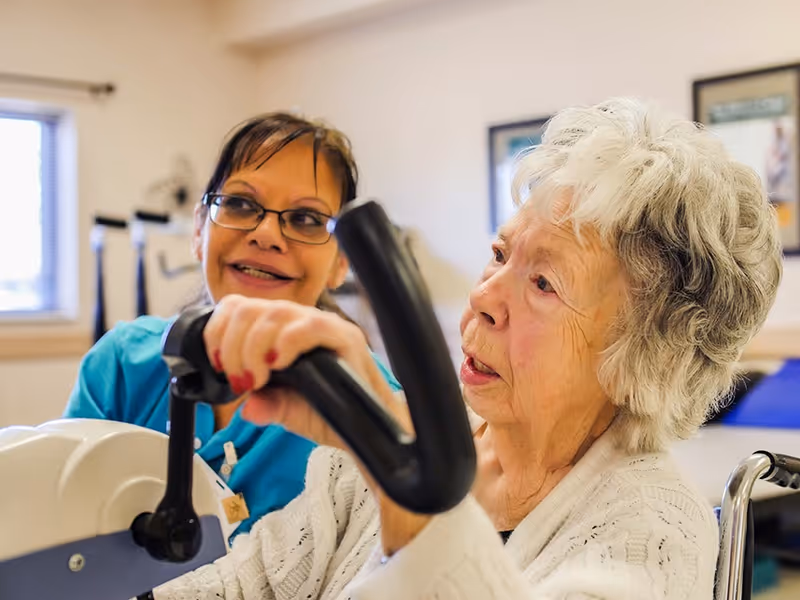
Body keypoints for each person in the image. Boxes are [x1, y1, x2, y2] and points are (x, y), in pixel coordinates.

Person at [154, 98, 782, 600]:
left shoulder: (655, 538)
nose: (483, 296)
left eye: (543, 282)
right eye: (500, 253)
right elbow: (240, 586)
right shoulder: (395, 442)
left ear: (643, 357)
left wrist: (408, 488)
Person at [64, 113, 401, 536]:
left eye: (306, 219)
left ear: (340, 263)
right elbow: (60, 526)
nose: (266, 234)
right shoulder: (121, 366)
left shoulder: (376, 407)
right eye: (241, 204)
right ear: (199, 230)